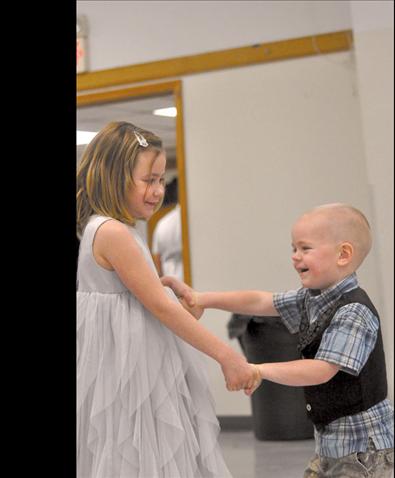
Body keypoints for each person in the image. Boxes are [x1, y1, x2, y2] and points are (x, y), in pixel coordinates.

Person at [76, 121, 258, 478]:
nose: (158, 191)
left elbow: (142, 305)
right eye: (148, 180)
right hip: (131, 380)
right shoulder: (113, 232)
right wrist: (228, 356)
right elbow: (158, 307)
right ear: (114, 176)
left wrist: (177, 305)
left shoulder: (110, 229)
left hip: (133, 371)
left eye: (161, 180)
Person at [162, 203, 394, 478]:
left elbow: (321, 370)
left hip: (365, 451)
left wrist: (258, 370)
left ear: (343, 254)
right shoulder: (313, 299)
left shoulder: (353, 311)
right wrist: (202, 299)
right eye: (293, 248)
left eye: (305, 248)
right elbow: (261, 301)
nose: (295, 257)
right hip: (331, 445)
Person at [152, 178, 183, 279]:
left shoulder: (162, 223)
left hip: (168, 279)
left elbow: (157, 256)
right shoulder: (187, 220)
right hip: (186, 278)